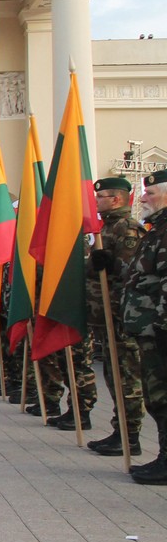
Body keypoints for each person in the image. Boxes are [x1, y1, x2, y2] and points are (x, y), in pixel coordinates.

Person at [85, 177, 145, 455]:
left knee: (126, 377)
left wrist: (111, 264)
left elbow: (133, 272)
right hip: (104, 316)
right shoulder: (103, 229)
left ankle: (129, 437)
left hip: (121, 317)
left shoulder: (127, 229)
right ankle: (119, 430)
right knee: (112, 375)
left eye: (101, 197)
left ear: (116, 199)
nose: (96, 202)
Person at [121, 170, 167, 484]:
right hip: (149, 327)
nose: (143, 198)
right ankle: (164, 457)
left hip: (159, 327)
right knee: (157, 396)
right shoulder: (157, 230)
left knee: (162, 396)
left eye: (150, 194)